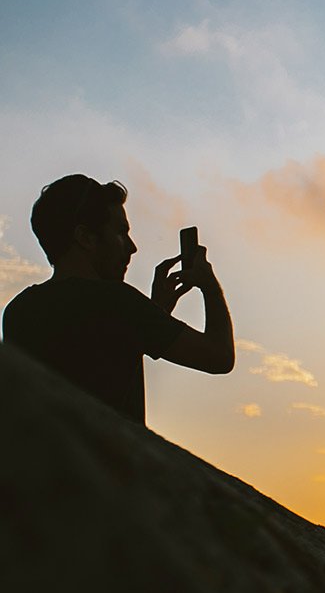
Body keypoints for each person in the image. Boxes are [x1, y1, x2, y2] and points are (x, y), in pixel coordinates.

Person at [2, 174, 234, 425]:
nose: (132, 247)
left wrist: (154, 312)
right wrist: (210, 287)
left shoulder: (19, 310)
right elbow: (218, 357)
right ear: (86, 238)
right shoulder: (118, 302)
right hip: (109, 463)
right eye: (121, 233)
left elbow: (101, 356)